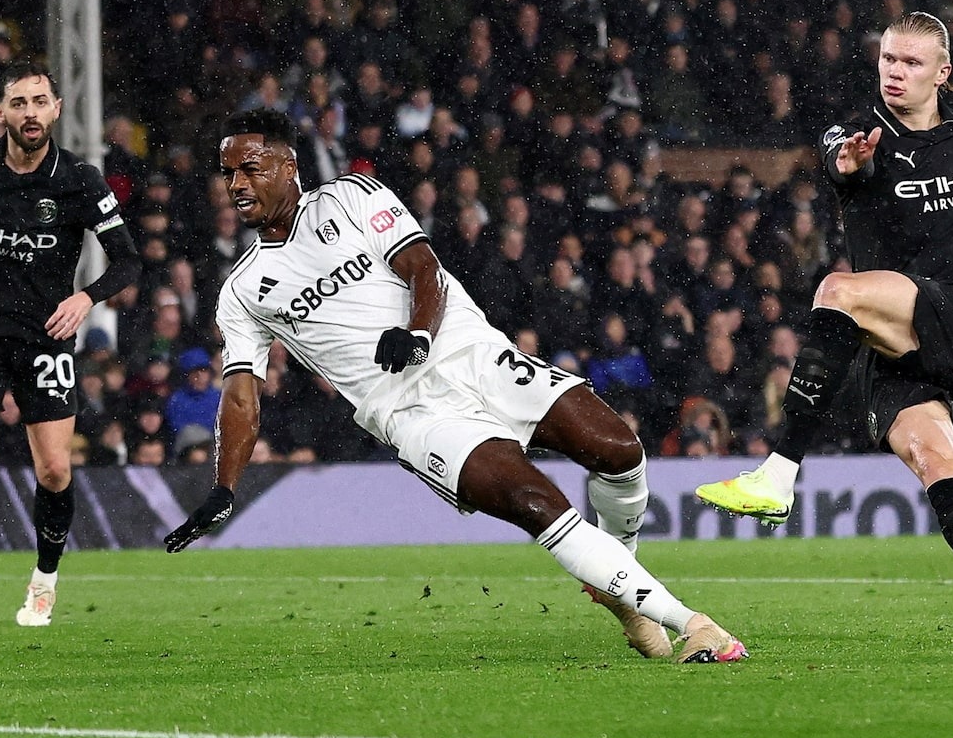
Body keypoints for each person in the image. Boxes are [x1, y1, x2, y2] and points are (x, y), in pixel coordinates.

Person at [164, 109, 744, 664]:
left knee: (620, 450)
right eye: (228, 173)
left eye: (250, 169)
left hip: (472, 353)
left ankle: (621, 588)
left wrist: (417, 333)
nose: (236, 184)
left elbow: (424, 267)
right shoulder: (243, 290)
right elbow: (241, 394)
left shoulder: (351, 196)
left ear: (289, 166)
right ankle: (693, 624)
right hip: (413, 413)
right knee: (536, 501)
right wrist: (224, 487)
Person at [695, 13, 953, 647]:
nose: (895, 72)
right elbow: (844, 164)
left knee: (837, 290)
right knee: (939, 466)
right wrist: (849, 163)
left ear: (943, 73)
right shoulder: (858, 133)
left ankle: (778, 473)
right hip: (893, 343)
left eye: (912, 62)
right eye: (889, 59)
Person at [0, 62, 141, 628]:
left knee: (55, 470)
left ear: (57, 109)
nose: (31, 112)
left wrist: (86, 298)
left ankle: (44, 582)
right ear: (1, 113)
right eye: (19, 103)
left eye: (40, 101)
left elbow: (128, 261)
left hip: (46, 335)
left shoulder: (79, 179)